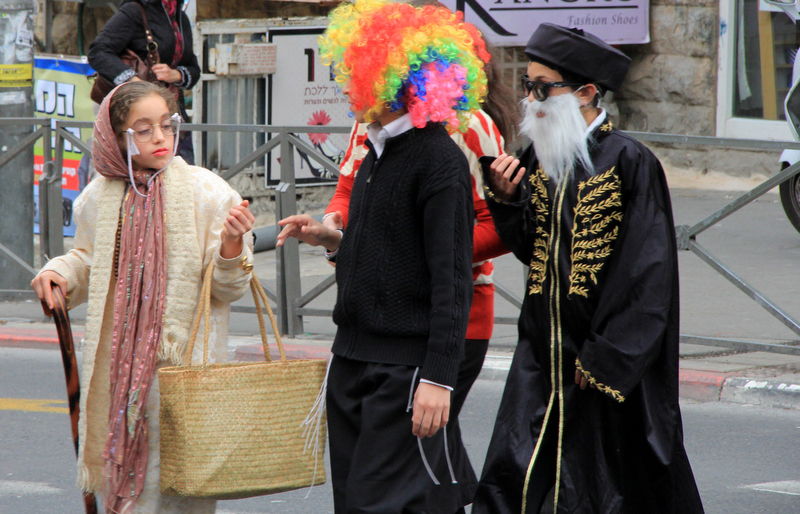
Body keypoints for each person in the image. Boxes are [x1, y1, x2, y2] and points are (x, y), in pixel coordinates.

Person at [472, 24, 704, 513]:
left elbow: (647, 272)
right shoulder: (539, 154)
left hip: (600, 362)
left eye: (541, 87)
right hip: (542, 355)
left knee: (606, 488)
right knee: (520, 477)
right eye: (527, 85)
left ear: (586, 93)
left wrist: (607, 358)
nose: (529, 98)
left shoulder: (629, 162)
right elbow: (536, 251)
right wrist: (508, 201)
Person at [276, 0, 490, 511]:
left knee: (386, 504)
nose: (343, 84)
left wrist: (439, 377)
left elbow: (452, 278)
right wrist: (331, 241)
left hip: (405, 368)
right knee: (355, 502)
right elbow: (392, 252)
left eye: (351, 72)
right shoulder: (377, 150)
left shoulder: (437, 161)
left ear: (391, 80)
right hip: (353, 358)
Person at [31, 81, 254, 513]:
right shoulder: (99, 197)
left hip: (184, 374)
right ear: (116, 138)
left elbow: (229, 288)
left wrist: (230, 245)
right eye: (143, 129)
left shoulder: (208, 193)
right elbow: (89, 260)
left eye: (167, 126)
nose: (159, 138)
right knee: (126, 490)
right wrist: (58, 272)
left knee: (181, 494)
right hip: (120, 373)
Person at [323, 55, 517, 418]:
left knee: (416, 458)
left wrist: (412, 252)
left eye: (356, 74)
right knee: (407, 464)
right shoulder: (369, 120)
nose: (345, 86)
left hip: (453, 317)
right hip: (374, 321)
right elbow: (347, 191)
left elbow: (499, 225)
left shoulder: (470, 129)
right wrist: (335, 227)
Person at [88, 0, 199, 163]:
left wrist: (175, 74)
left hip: (171, 112)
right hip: (133, 112)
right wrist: (133, 80)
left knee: (178, 175)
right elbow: (98, 52)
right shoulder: (134, 10)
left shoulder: (179, 17)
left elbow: (194, 68)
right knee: (130, 174)